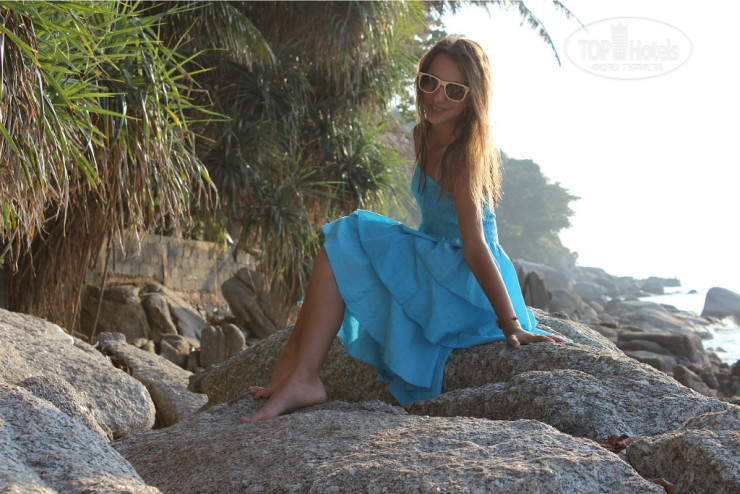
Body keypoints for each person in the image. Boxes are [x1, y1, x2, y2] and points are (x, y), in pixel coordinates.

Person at [241, 37, 568, 424]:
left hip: (464, 281)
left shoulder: (464, 156)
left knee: (347, 236)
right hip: (433, 258)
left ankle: (302, 375)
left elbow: (476, 247)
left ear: (472, 99)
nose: (437, 97)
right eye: (430, 82)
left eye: (454, 90)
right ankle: (294, 369)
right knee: (338, 247)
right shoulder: (422, 134)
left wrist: (511, 324)